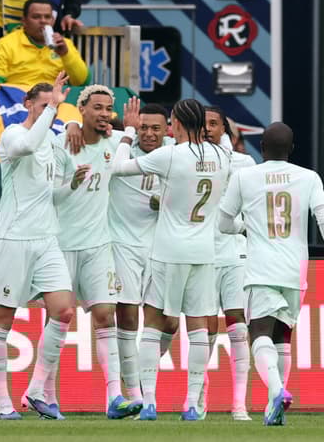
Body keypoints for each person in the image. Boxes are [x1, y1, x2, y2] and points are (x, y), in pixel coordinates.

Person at [218, 122, 324, 426]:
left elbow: (223, 223)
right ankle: (271, 407)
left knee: (259, 333)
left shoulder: (244, 176)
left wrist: (245, 228)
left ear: (261, 147)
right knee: (283, 337)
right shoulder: (308, 177)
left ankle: (276, 391)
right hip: (295, 269)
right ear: (292, 150)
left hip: (261, 267)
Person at [111, 98, 231, 421]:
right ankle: (192, 403)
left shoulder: (169, 155)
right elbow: (229, 151)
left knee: (151, 325)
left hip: (167, 251)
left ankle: (149, 401)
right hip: (204, 252)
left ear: (176, 124)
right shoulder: (222, 156)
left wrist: (127, 133)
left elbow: (118, 167)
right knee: (197, 329)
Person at [0, 72, 75, 420]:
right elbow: (28, 146)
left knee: (64, 310)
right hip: (12, 240)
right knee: (2, 320)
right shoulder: (13, 134)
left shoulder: (49, 144)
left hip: (46, 238)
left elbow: (49, 196)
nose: (49, 108)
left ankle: (36, 389)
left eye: (51, 103)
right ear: (27, 105)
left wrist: (72, 186)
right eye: (43, 103)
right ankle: (3, 404)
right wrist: (53, 109)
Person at [48, 85, 142, 419]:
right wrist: (70, 124)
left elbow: (157, 145)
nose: (104, 114)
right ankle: (45, 394)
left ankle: (114, 398)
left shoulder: (116, 143)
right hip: (60, 245)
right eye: (97, 108)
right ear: (82, 109)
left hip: (99, 245)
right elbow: (46, 195)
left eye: (108, 109)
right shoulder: (61, 143)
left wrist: (130, 128)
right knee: (58, 319)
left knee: (105, 315)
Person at [106, 103, 178, 406]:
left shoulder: (177, 151)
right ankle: (133, 383)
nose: (148, 133)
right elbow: (81, 133)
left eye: (155, 128)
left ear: (168, 130)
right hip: (122, 241)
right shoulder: (120, 142)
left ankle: (142, 364)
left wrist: (170, 202)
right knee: (128, 310)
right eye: (143, 127)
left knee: (171, 322)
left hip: (162, 246)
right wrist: (71, 127)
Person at [200, 105, 257, 420]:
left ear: (226, 129)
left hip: (235, 252)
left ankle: (239, 404)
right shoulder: (185, 159)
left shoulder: (244, 163)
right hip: (202, 254)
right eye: (203, 123)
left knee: (237, 324)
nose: (208, 128)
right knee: (204, 327)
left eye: (214, 123)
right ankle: (199, 400)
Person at [0, 0, 89, 87]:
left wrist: (66, 55)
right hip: (18, 102)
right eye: (36, 17)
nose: (43, 21)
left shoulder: (64, 44)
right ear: (24, 21)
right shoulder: (5, 44)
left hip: (56, 102)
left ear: (53, 21)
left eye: (47, 17)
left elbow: (82, 82)